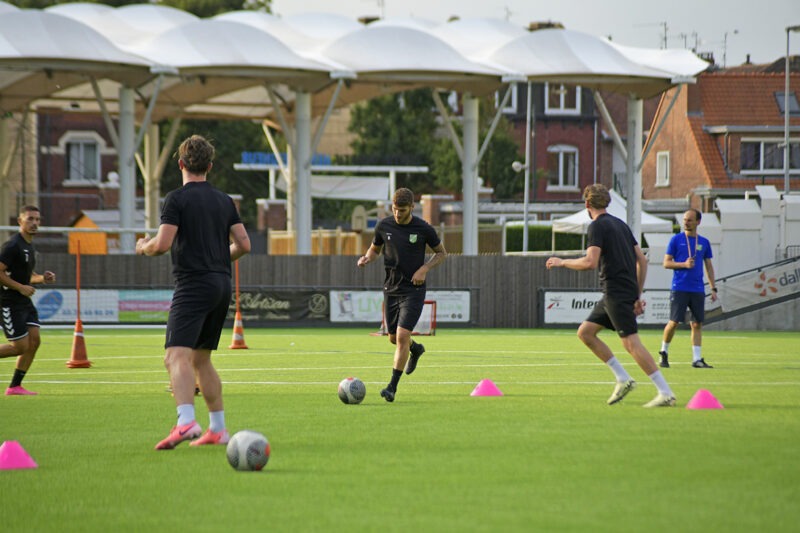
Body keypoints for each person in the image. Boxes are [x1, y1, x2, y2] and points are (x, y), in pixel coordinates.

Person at [137, 135, 251, 449]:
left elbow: (162, 244)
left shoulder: (176, 199)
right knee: (201, 359)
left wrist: (143, 247)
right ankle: (218, 429)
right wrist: (218, 259)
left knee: (175, 356)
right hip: (221, 284)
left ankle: (186, 422)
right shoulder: (224, 200)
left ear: (180, 164)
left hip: (193, 284)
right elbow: (244, 245)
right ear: (210, 166)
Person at [546, 184, 676, 407]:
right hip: (617, 293)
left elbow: (590, 262)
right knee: (586, 333)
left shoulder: (597, 227)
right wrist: (637, 294)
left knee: (631, 344)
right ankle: (623, 378)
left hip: (616, 293)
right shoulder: (621, 225)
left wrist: (562, 262)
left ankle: (665, 392)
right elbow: (642, 260)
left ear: (587, 204)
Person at [357, 188, 446, 403]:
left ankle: (391, 388)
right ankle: (416, 349)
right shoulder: (384, 225)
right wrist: (367, 257)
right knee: (393, 338)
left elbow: (441, 253)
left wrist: (424, 269)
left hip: (413, 290)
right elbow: (374, 249)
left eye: (402, 210)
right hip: (391, 289)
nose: (397, 214)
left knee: (402, 335)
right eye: (395, 209)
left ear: (412, 208)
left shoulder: (424, 228)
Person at [0, 206, 56, 395]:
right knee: (19, 347)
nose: (35, 223)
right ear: (20, 221)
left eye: (37, 219)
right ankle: (14, 386)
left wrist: (42, 279)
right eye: (30, 219)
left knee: (34, 341)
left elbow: (28, 276)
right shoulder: (12, 245)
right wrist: (20, 287)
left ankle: (15, 386)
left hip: (24, 302)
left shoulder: (29, 246)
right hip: (8, 301)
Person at [658, 209, 717, 369]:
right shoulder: (676, 240)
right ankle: (664, 351)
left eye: (690, 220)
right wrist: (683, 264)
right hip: (679, 287)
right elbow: (666, 263)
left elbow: (709, 266)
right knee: (674, 322)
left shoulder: (704, 242)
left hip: (697, 289)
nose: (686, 222)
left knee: (697, 324)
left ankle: (697, 359)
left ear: (698, 222)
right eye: (684, 219)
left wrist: (713, 288)